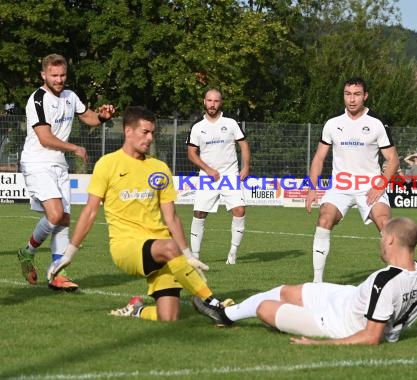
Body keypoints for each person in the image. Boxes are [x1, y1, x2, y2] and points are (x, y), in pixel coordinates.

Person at [198, 217, 417, 346]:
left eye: (381, 238)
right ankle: (225, 315)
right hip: (346, 298)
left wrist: (321, 345)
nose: (378, 242)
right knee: (287, 289)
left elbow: (372, 337)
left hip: (336, 325)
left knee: (267, 307)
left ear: (389, 241)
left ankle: (226, 314)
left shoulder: (386, 282)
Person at [47, 106, 232, 324]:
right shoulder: (107, 164)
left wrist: (188, 255)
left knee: (169, 317)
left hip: (163, 250)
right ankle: (212, 303)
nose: (150, 138)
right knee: (170, 247)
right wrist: (68, 254)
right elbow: (89, 212)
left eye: (152, 132)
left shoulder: (160, 168)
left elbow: (171, 217)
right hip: (127, 247)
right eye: (145, 132)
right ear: (128, 131)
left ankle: (136, 310)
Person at [18, 53, 116, 291]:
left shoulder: (70, 96)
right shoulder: (38, 99)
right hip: (37, 162)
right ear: (44, 75)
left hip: (59, 163)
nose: (59, 80)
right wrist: (75, 147)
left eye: (62, 75)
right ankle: (27, 251)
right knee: (55, 213)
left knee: (63, 220)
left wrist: (102, 117)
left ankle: (57, 274)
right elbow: (44, 138)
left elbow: (88, 117)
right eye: (54, 75)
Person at [305, 77, 399, 282]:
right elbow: (319, 157)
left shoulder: (376, 123)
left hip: (370, 186)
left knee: (385, 222)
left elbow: (393, 159)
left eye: (357, 94)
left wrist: (381, 184)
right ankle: (317, 282)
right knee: (324, 219)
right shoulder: (332, 124)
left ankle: (396, 276)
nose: (352, 99)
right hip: (340, 186)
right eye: (348, 94)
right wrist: (312, 187)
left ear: (365, 96)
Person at [186, 89, 250, 265]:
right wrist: (207, 169)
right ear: (204, 101)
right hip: (208, 176)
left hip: (229, 174)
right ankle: (196, 256)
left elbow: (244, 145)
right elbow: (191, 153)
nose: (212, 104)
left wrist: (246, 167)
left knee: (239, 210)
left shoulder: (230, 123)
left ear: (220, 103)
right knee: (199, 213)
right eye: (209, 100)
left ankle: (233, 253)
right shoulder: (197, 127)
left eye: (216, 101)